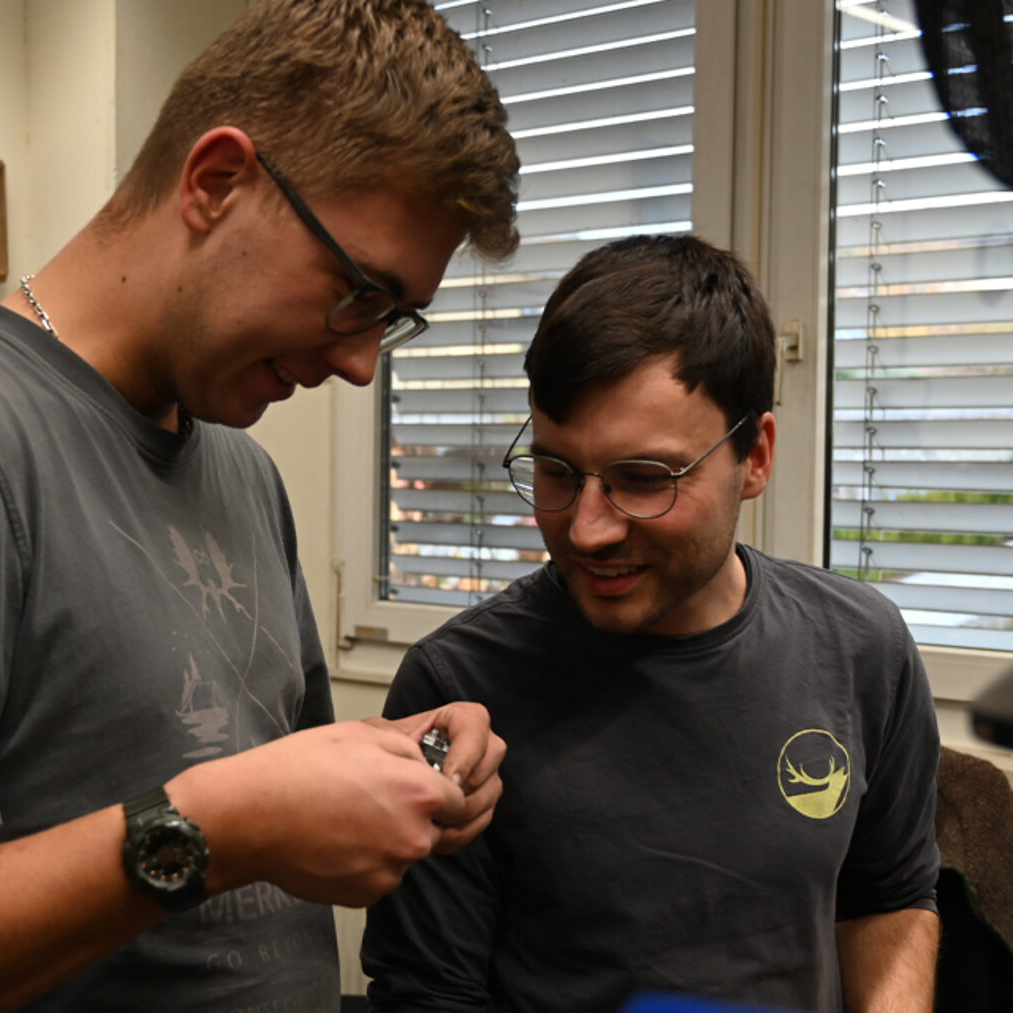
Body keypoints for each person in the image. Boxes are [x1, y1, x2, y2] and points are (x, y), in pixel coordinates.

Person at [0, 2, 519, 1011]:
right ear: (216, 183)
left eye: (393, 320)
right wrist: (212, 827)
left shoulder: (238, 467)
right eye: (356, 291)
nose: (358, 363)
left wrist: (398, 766)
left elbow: (246, 789)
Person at [362, 234, 941, 1012]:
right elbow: (429, 991)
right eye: (556, 471)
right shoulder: (456, 686)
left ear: (756, 456)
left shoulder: (862, 648)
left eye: (644, 479)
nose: (588, 528)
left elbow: (889, 895)